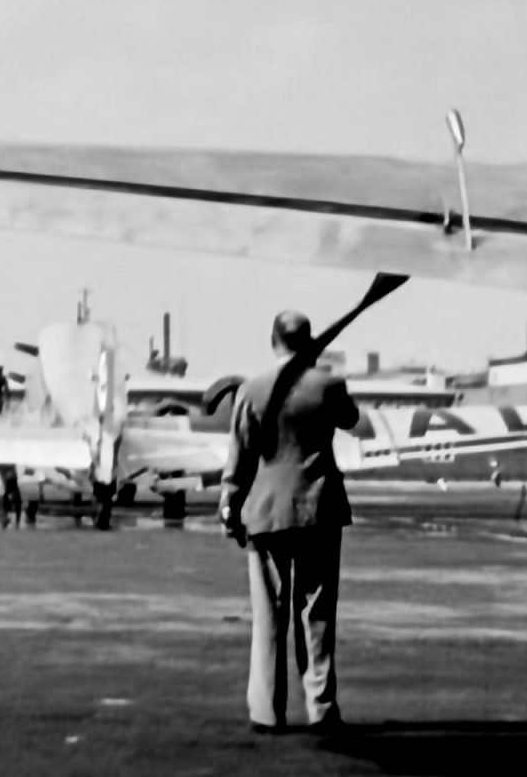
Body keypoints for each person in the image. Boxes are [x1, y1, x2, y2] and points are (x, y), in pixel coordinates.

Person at [218, 310, 360, 735]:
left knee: (270, 614)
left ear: (272, 340)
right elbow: (350, 419)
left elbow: (240, 454)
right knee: (317, 614)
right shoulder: (329, 384)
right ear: (309, 340)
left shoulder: (252, 389)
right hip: (319, 509)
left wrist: (230, 502)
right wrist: (316, 370)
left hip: (266, 510)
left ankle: (267, 711)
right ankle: (321, 707)